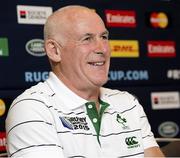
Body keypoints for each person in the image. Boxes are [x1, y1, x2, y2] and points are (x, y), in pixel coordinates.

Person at [6, 5, 164, 158]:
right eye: (87, 39)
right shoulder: (32, 108)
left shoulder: (128, 103)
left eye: (104, 37)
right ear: (54, 50)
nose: (102, 48)